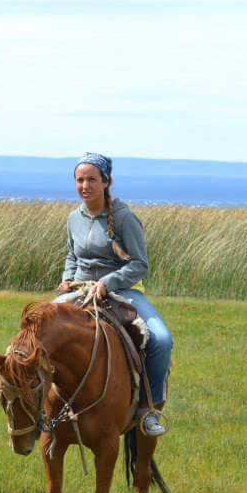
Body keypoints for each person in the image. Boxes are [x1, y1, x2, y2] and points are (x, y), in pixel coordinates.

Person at [53, 152, 173, 437]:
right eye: (80, 180)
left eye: (92, 179)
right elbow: (72, 255)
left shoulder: (124, 217)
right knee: (36, 330)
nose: (85, 186)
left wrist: (107, 282)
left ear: (107, 181)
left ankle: (149, 409)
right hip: (80, 290)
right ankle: (40, 408)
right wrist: (67, 278)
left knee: (161, 339)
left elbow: (139, 265)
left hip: (123, 291)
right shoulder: (74, 218)